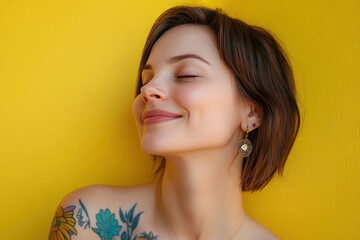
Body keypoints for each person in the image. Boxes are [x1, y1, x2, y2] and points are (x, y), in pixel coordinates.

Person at [48, 6, 300, 240]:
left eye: (185, 74)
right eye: (146, 79)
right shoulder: (83, 220)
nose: (148, 90)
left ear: (252, 113)